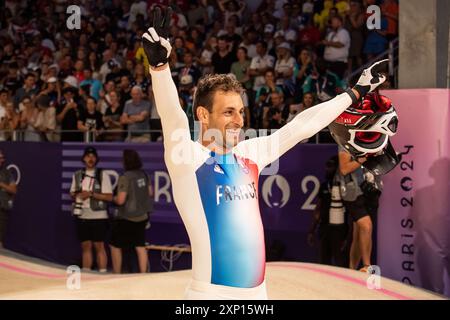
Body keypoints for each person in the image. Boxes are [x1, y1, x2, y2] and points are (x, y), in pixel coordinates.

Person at [142, 6, 387, 299]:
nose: (239, 121)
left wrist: (355, 92)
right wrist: (159, 69)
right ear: (203, 115)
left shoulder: (250, 154)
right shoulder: (188, 160)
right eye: (229, 112)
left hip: (259, 296)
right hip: (209, 296)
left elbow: (301, 126)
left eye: (241, 111)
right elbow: (173, 117)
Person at [338, 147, 382, 272]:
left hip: (372, 191)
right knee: (366, 226)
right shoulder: (346, 143)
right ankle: (367, 266)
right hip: (353, 192)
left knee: (359, 233)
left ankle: (352, 269)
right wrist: (363, 159)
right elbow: (344, 169)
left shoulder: (378, 142)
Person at [70, 147, 113, 272]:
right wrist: (79, 195)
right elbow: (72, 193)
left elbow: (109, 197)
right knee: (86, 246)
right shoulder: (77, 175)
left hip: (99, 216)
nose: (90, 158)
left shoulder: (102, 175)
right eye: (88, 156)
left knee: (99, 246)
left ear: (96, 159)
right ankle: (86, 273)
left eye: (93, 156)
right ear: (83, 158)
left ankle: (102, 273)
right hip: (83, 215)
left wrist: (92, 194)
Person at [111, 149, 153, 274]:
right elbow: (150, 193)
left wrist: (113, 198)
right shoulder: (144, 175)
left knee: (115, 245)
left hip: (127, 218)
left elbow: (120, 200)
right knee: (140, 246)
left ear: (125, 162)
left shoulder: (125, 177)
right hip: (143, 217)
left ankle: (116, 274)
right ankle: (143, 274)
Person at [307, 156, 348, 267]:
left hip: (339, 229)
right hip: (324, 228)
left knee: (340, 261)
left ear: (337, 167)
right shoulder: (324, 186)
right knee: (323, 262)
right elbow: (318, 209)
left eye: (330, 166)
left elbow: (350, 212)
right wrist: (312, 230)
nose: (327, 169)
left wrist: (348, 236)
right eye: (327, 166)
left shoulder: (346, 186)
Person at [0, 150, 17, 247]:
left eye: (3, 158)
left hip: (2, 208)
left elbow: (13, 190)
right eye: (0, 158)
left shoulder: (7, 173)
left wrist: (1, 184)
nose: (2, 160)